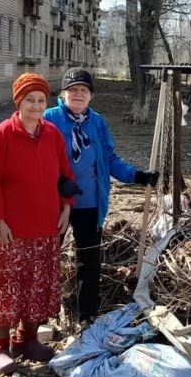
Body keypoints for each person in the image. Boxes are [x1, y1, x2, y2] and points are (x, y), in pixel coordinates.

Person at [43, 68, 159, 324]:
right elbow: (38, 157)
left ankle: (87, 314)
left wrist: (136, 176)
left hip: (89, 203)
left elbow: (109, 158)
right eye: (72, 90)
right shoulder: (49, 118)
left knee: (89, 260)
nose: (78, 94)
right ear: (63, 93)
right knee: (48, 257)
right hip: (56, 202)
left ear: (90, 96)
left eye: (83, 90)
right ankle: (42, 313)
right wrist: (57, 182)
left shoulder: (97, 122)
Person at [0, 73, 75, 375]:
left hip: (46, 227)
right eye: (29, 100)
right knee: (7, 288)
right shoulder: (2, 134)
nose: (35, 106)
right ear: (18, 101)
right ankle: (0, 347)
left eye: (40, 100)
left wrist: (66, 207)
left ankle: (27, 340)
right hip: (11, 230)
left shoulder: (52, 134)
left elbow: (65, 176)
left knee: (37, 286)